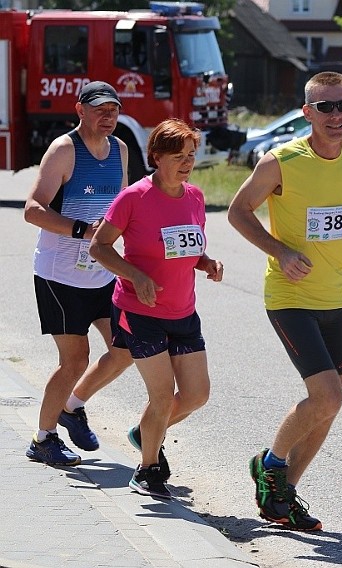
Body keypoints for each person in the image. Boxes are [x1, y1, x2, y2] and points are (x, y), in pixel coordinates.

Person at [228, 71, 342, 530]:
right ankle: (270, 465)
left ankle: (282, 496)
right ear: (307, 113)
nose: (336, 115)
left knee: (332, 401)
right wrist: (280, 251)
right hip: (289, 295)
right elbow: (237, 212)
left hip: (333, 296)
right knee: (325, 395)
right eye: (324, 107)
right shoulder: (281, 162)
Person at [89, 119, 224, 499]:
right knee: (162, 395)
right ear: (156, 157)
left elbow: (188, 248)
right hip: (139, 311)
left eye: (191, 156)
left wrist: (207, 262)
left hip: (183, 311)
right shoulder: (134, 197)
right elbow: (99, 248)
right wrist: (136, 276)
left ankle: (147, 432)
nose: (187, 163)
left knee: (197, 395)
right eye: (178, 156)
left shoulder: (195, 197)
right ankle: (147, 469)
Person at [23, 81, 133, 466]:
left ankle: (72, 406)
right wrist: (83, 230)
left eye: (114, 110)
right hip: (60, 274)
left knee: (127, 347)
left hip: (101, 272)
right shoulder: (65, 150)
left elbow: (120, 209)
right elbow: (33, 209)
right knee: (75, 360)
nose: (108, 117)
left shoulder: (119, 150)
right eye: (100, 109)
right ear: (80, 110)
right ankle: (42, 439)